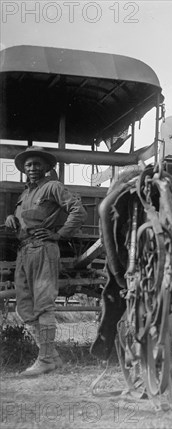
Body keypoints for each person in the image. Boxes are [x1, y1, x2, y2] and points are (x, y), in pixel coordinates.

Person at [5, 146, 87, 376]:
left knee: (43, 304)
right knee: (25, 307)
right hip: (24, 251)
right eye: (28, 165)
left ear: (47, 167)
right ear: (24, 169)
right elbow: (24, 220)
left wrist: (59, 234)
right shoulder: (24, 195)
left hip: (42, 249)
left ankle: (45, 359)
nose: (32, 168)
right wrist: (12, 217)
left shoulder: (53, 187)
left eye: (37, 164)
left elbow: (78, 211)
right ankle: (50, 357)